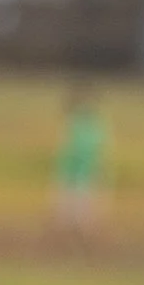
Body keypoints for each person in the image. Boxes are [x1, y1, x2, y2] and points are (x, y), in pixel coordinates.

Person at [50, 87, 109, 247]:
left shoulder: (82, 125)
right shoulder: (89, 125)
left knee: (77, 201)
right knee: (77, 201)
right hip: (77, 170)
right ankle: (75, 230)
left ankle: (78, 231)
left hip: (79, 170)